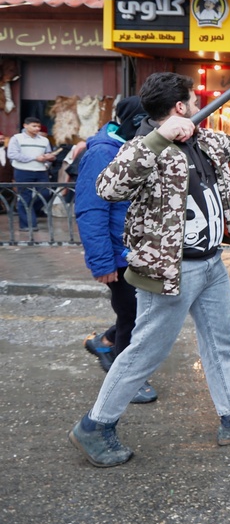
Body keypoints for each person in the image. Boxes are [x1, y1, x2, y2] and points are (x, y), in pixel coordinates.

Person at [69, 73, 230, 468]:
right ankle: (95, 426)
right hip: (170, 269)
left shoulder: (203, 139)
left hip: (212, 262)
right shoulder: (144, 148)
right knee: (145, 352)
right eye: (193, 97)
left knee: (223, 341)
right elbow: (107, 188)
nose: (199, 99)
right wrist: (159, 137)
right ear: (180, 107)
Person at [76, 97, 157, 405]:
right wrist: (101, 263)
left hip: (139, 252)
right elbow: (90, 210)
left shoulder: (136, 147)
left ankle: (106, 341)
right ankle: (126, 381)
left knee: (141, 313)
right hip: (118, 256)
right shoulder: (102, 153)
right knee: (133, 317)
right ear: (138, 121)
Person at [7, 116, 55, 231]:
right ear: (25, 126)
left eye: (38, 126)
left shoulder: (44, 140)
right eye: (34, 126)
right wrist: (34, 158)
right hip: (23, 170)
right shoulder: (17, 138)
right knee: (25, 197)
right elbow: (12, 155)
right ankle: (27, 224)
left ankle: (31, 211)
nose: (37, 128)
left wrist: (49, 160)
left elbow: (48, 154)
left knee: (46, 193)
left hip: (41, 171)